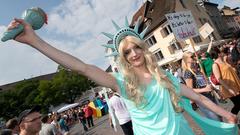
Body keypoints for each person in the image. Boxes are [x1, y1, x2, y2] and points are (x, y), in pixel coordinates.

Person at [6, 18, 238, 134]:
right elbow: (81, 67)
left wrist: (226, 115)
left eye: (137, 48)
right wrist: (35, 41)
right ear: (123, 57)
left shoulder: (165, 77)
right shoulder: (123, 83)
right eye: (127, 51)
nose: (134, 53)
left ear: (143, 49)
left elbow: (199, 99)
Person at [181, 52, 222, 121]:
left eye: (194, 55)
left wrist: (215, 89)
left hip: (210, 96)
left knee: (220, 117)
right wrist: (205, 89)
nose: (194, 57)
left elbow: (204, 83)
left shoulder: (197, 69)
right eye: (192, 56)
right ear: (186, 59)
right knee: (216, 119)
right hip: (202, 100)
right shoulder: (188, 72)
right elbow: (189, 90)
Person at [211, 47, 240, 115]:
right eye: (220, 51)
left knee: (238, 104)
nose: (222, 52)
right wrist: (229, 89)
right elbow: (219, 79)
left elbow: (232, 69)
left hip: (236, 84)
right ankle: (231, 118)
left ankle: (232, 119)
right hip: (229, 87)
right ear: (218, 53)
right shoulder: (215, 64)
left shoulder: (224, 60)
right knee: (238, 104)